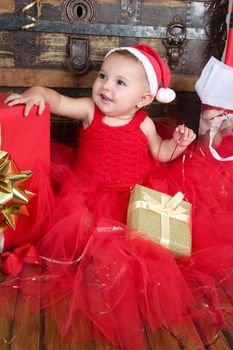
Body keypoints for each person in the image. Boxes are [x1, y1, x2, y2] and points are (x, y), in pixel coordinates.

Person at [1, 44, 233, 349]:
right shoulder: (88, 110)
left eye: (119, 82)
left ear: (145, 99)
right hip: (88, 192)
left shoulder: (144, 124)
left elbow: (161, 154)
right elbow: (57, 101)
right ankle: (94, 253)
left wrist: (176, 144)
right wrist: (38, 92)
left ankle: (113, 259)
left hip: (132, 195)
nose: (105, 86)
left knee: (140, 240)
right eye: (103, 76)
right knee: (78, 224)